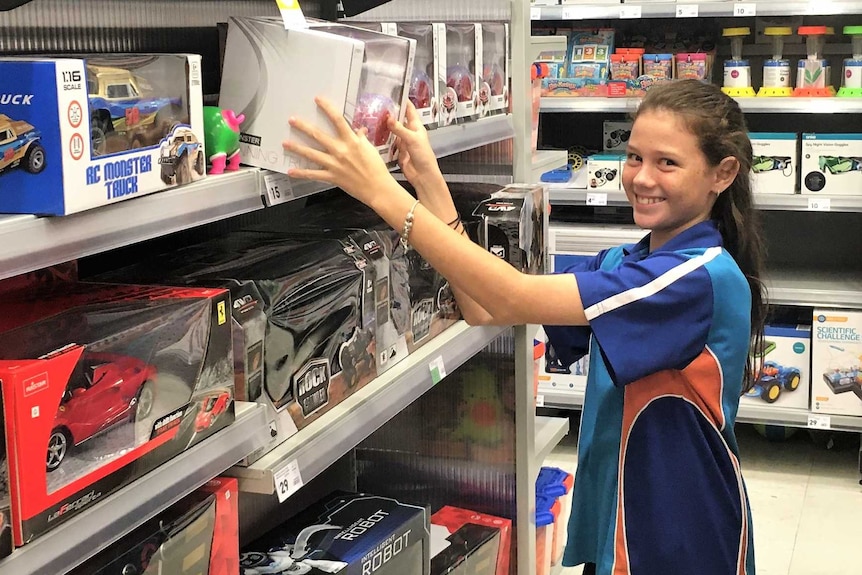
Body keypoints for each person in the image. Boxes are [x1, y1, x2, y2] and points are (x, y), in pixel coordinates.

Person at [283, 78, 766, 575]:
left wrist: (384, 195)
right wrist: (428, 183)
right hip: (624, 521)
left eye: (667, 162)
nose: (641, 178)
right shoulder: (628, 263)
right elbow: (487, 306)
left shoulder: (697, 279)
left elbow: (511, 294)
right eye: (635, 157)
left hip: (681, 530)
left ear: (722, 174)